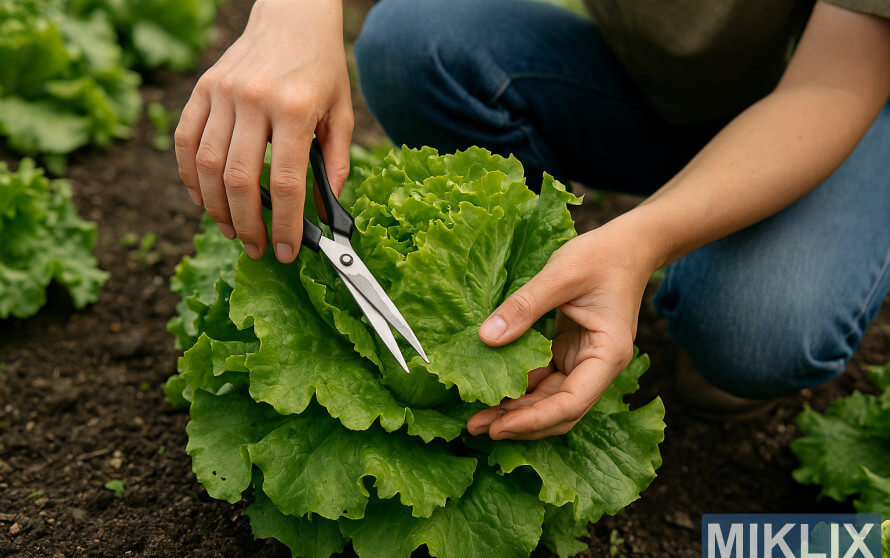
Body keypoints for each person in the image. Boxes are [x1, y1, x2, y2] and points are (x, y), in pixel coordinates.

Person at [173, 0, 890, 440]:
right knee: (411, 41)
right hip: (657, 85)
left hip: (843, 94)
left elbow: (833, 81)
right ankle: (549, 273)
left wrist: (640, 239)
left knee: (752, 329)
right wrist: (292, 14)